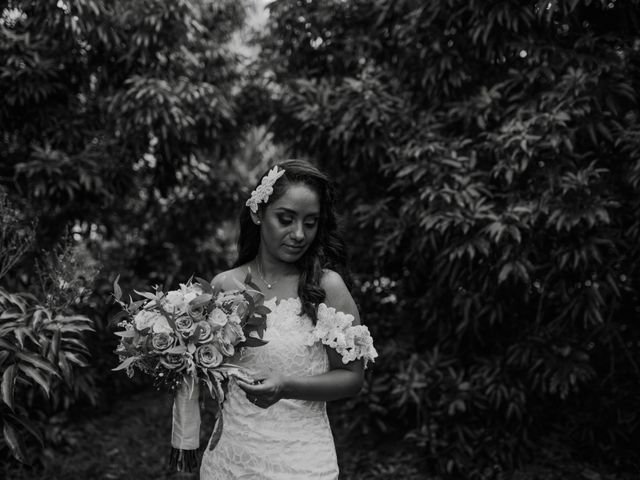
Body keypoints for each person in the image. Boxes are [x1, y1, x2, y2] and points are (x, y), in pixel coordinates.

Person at [198, 159, 378, 479]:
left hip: (302, 460)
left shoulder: (327, 288)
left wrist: (286, 386)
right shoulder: (223, 286)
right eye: (286, 219)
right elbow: (211, 373)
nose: (299, 234)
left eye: (310, 223)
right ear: (258, 213)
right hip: (231, 456)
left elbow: (352, 379)